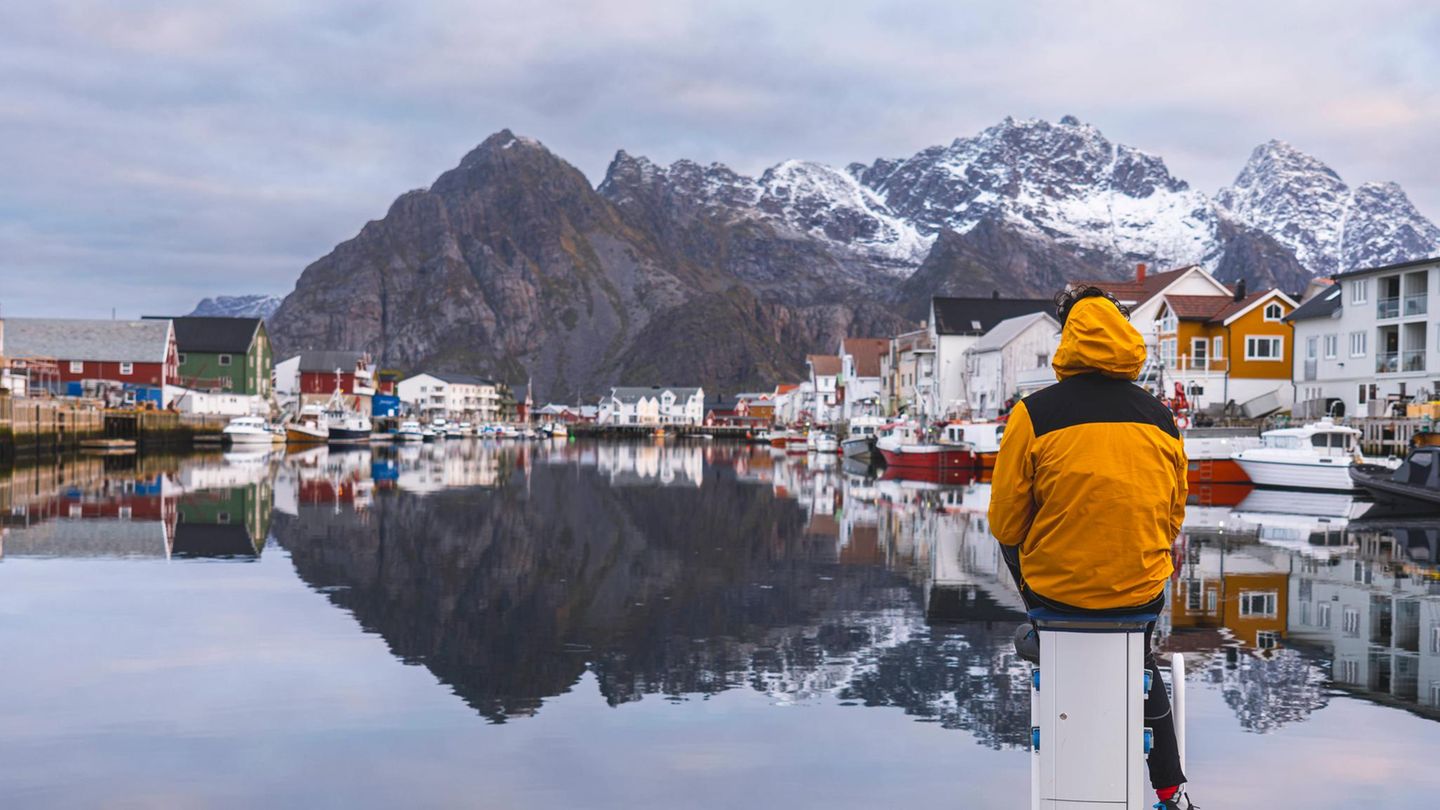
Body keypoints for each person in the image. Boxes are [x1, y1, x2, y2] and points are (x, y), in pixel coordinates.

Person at [988, 286, 1197, 810]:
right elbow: (1172, 519)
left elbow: (1005, 522)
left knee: (1015, 539)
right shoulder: (1162, 419)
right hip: (1139, 598)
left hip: (1058, 598)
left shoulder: (1032, 414)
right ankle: (1170, 789)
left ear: (1068, 339)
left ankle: (1040, 627)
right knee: (1141, 660)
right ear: (1126, 338)